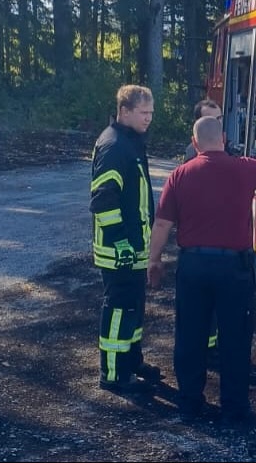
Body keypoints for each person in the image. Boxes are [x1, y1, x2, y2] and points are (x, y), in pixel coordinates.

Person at [147, 115, 256, 422]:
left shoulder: (179, 175)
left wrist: (154, 260)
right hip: (234, 269)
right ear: (224, 140)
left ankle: (190, 401)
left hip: (193, 265)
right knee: (235, 337)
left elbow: (163, 222)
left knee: (190, 334)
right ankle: (234, 407)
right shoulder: (243, 168)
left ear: (194, 143)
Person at [89, 84, 162, 394]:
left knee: (133, 307)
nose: (149, 118)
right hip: (118, 251)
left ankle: (132, 361)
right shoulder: (114, 146)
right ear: (125, 111)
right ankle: (114, 373)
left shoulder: (130, 141)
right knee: (119, 308)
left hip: (133, 248)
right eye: (144, 113)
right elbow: (103, 200)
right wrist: (120, 242)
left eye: (151, 113)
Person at [183, 98, 222, 362]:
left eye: (219, 120)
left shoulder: (220, 150)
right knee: (203, 304)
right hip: (202, 246)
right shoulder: (192, 156)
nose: (215, 125)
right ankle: (205, 348)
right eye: (209, 120)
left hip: (217, 244)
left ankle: (210, 344)